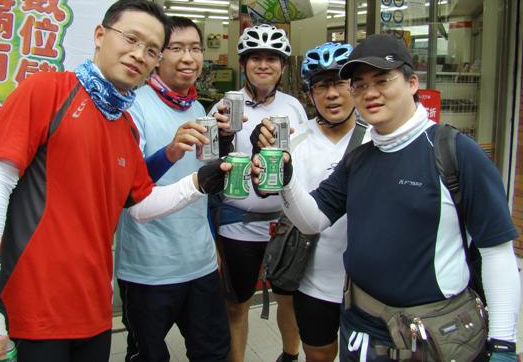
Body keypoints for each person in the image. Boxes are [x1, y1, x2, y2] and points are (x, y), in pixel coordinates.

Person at [0, 0, 230, 362]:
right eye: (130, 39)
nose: (139, 54)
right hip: (33, 309)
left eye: (151, 50)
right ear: (100, 35)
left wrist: (201, 181)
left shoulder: (123, 124)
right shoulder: (48, 90)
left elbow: (140, 205)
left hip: (94, 309)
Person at [254, 33, 520, 362]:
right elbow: (313, 220)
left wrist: (504, 343)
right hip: (361, 328)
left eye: (382, 80)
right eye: (360, 85)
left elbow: (497, 251)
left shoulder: (455, 152)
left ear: (412, 83)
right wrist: (286, 179)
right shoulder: (358, 159)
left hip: (433, 333)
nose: (370, 93)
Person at [115, 16, 230, 362]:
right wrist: (169, 151)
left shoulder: (198, 108)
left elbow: (200, 184)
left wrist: (213, 242)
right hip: (148, 268)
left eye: (195, 48)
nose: (188, 58)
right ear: (156, 56)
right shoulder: (131, 106)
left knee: (213, 353)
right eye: (176, 48)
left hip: (200, 262)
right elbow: (127, 190)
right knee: (148, 356)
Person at [255, 42, 370, 362]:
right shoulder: (295, 141)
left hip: (368, 283)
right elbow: (269, 188)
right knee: (319, 354)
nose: (331, 94)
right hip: (314, 280)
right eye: (321, 86)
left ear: (355, 87)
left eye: (340, 83)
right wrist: (261, 171)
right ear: (310, 94)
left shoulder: (377, 138)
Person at [210, 23, 308, 362]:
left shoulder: (294, 107)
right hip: (238, 224)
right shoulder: (224, 107)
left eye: (272, 58)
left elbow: (305, 162)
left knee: (289, 299)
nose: (263, 65)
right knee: (236, 304)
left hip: (286, 225)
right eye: (255, 58)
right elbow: (207, 166)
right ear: (243, 64)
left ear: (282, 66)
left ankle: (289, 356)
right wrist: (222, 140)